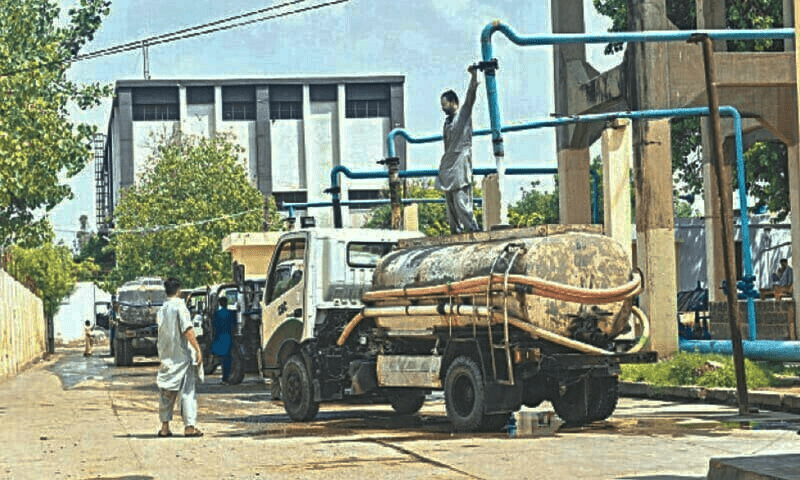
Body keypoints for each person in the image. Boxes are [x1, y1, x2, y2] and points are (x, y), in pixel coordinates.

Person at [436, 65, 481, 234]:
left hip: (460, 163)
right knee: (450, 204)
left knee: (461, 201)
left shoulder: (462, 116)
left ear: (454, 103)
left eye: (445, 104)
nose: (444, 108)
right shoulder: (446, 123)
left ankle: (472, 228)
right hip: (448, 164)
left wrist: (474, 77)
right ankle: (455, 231)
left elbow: (470, 98)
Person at [156, 277, 203, 438]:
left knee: (166, 392)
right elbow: (188, 330)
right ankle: (189, 427)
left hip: (166, 356)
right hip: (181, 357)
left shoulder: (162, 309)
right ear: (179, 290)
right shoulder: (180, 307)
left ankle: (164, 427)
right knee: (187, 392)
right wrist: (197, 349)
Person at [211, 296, 237, 384]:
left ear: (220, 304)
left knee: (222, 359)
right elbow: (234, 325)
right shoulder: (231, 313)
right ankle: (227, 376)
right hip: (229, 337)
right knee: (228, 358)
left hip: (220, 337)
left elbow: (214, 326)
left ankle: (225, 378)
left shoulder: (217, 314)